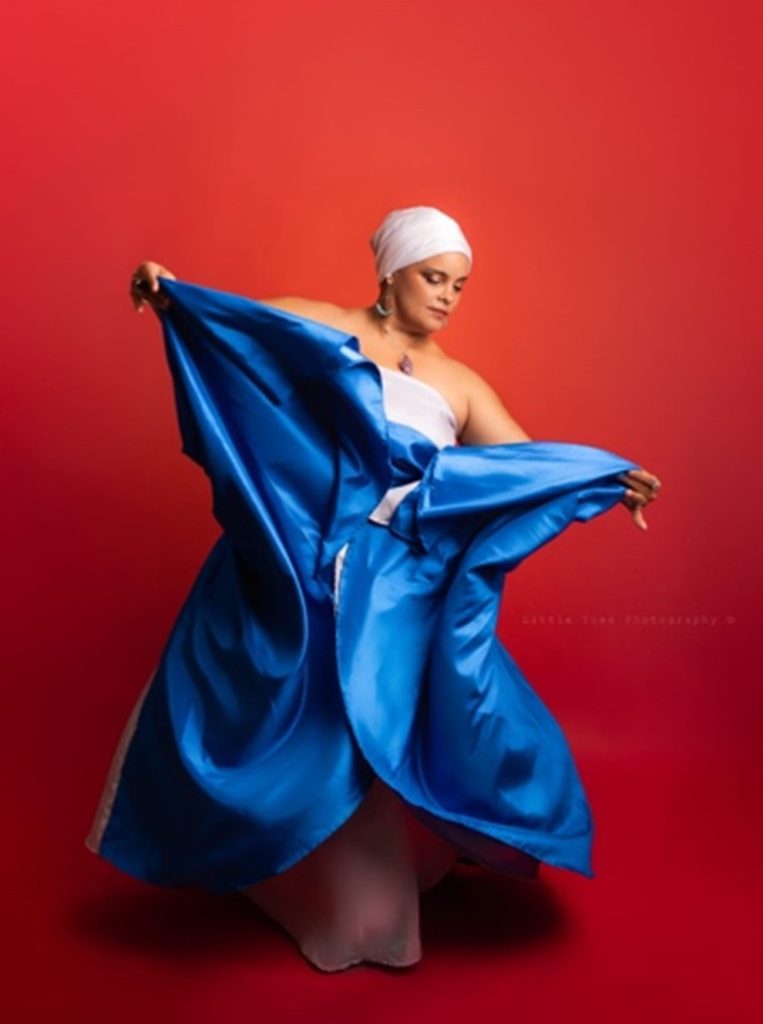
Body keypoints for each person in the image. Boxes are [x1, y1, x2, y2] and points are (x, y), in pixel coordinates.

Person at [87, 206, 661, 973]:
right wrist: (168, 295)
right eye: (434, 277)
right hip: (299, 565)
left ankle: (368, 891)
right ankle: (302, 878)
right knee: (308, 709)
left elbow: (524, 466)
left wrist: (600, 479)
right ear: (390, 271)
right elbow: (231, 335)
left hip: (396, 589)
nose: (449, 296)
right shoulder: (316, 324)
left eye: (459, 284)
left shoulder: (459, 383)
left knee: (387, 712)